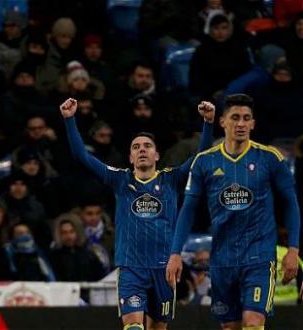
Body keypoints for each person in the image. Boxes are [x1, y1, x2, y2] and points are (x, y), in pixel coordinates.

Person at [60, 97, 215, 330]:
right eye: (136, 147)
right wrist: (70, 120)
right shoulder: (120, 180)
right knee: (133, 326)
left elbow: (202, 157)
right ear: (131, 158)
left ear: (157, 155)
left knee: (157, 328)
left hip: (164, 268)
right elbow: (83, 157)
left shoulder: (171, 180)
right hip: (131, 268)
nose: (142, 149)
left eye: (147, 146)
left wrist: (209, 123)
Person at [167, 94, 301, 330]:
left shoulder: (270, 158)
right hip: (222, 259)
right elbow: (188, 209)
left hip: (259, 256)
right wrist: (175, 253)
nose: (241, 124)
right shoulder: (204, 162)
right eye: (235, 118)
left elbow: (291, 203)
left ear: (253, 124)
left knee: (253, 322)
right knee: (230, 326)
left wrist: (293, 248)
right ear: (222, 122)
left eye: (246, 118)